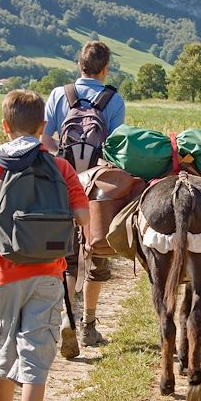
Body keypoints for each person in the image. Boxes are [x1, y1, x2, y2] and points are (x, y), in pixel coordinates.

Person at [0, 89, 90, 401]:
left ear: (4, 126)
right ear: (43, 126)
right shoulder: (60, 167)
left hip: (2, 272)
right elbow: (82, 216)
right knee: (35, 359)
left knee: (5, 355)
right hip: (48, 272)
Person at [42, 40, 126, 355]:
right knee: (96, 252)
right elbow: (116, 150)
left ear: (80, 65)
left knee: (67, 258)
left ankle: (67, 316)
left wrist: (63, 161)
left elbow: (46, 139)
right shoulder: (114, 100)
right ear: (105, 69)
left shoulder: (57, 95)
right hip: (97, 189)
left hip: (61, 185)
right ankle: (89, 325)